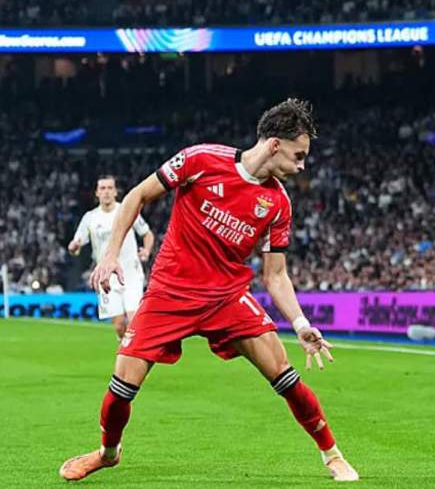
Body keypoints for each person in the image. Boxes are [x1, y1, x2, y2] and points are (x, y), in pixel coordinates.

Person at [59, 99, 358, 482]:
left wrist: (300, 324)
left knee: (285, 376)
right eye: (299, 156)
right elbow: (136, 196)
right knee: (121, 387)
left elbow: (276, 275)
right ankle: (108, 452)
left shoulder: (278, 202)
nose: (302, 166)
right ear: (274, 145)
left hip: (228, 298)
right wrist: (110, 255)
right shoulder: (200, 160)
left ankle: (332, 456)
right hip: (170, 293)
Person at [68, 175, 154, 339]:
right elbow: (76, 244)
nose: (106, 192)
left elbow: (147, 233)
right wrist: (73, 247)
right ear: (97, 193)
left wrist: (146, 250)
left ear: (115, 192)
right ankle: (125, 350)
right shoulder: (90, 218)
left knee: (134, 319)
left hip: (130, 273)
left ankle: (132, 357)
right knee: (119, 325)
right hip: (106, 277)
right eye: (102, 188)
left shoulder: (126, 210)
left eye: (109, 188)